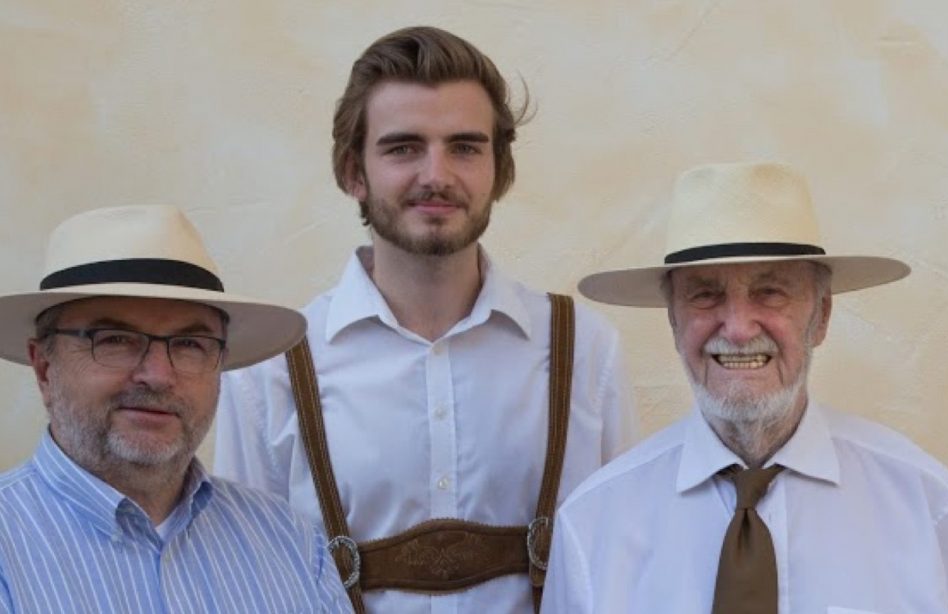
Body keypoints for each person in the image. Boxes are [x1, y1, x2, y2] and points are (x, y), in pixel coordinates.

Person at [214, 25, 633, 613]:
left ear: (499, 170)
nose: (436, 175)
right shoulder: (270, 369)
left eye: (464, 146)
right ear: (352, 172)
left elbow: (616, 569)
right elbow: (247, 584)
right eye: (403, 147)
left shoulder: (585, 350)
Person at [541, 161, 948, 613]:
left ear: (821, 316)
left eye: (770, 292)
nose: (739, 328)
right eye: (705, 294)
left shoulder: (929, 509)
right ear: (673, 320)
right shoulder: (593, 526)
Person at [0, 205, 352, 613]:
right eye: (115, 339)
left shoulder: (292, 542)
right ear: (45, 367)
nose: (158, 375)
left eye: (189, 345)